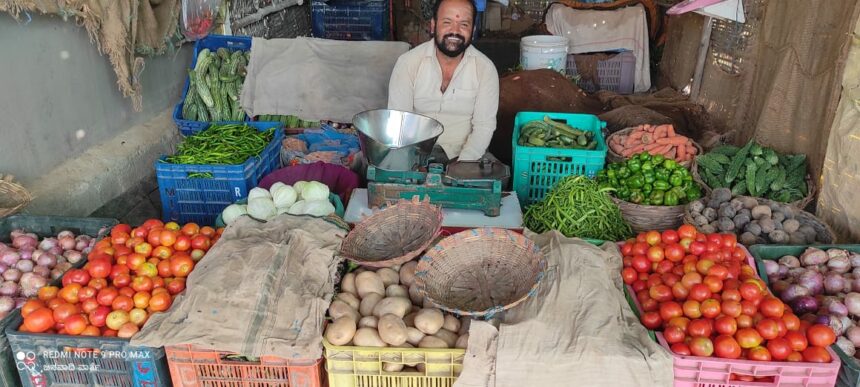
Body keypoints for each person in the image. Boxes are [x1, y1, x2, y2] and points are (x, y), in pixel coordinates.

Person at [387, 0, 500, 163]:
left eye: (464, 24)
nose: (455, 31)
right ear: (433, 25)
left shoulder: (485, 69)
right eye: (447, 22)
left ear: (473, 30)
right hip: (414, 152)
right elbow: (399, 121)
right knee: (370, 165)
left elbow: (484, 126)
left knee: (499, 178)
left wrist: (463, 165)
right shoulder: (408, 63)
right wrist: (410, 163)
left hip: (463, 154)